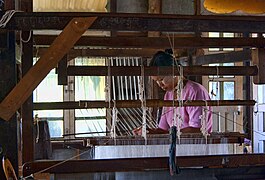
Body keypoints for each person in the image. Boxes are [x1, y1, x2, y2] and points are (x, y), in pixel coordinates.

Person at [133, 50, 212, 135]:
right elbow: (163, 129)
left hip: (196, 145)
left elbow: (197, 130)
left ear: (174, 72)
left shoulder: (195, 91)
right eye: (156, 81)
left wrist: (171, 134)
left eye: (161, 79)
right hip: (176, 144)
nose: (160, 84)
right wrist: (148, 132)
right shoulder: (168, 95)